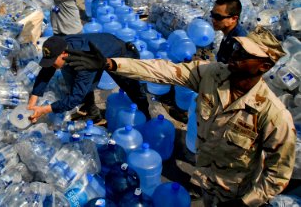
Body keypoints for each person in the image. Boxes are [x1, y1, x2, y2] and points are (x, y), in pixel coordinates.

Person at [65, 26, 296, 206]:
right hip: (204, 180)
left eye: (246, 54)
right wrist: (111, 63)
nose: (236, 54)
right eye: (238, 48)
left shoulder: (273, 115)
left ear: (263, 66)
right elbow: (162, 70)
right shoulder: (212, 75)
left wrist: (246, 203)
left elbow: (278, 174)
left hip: (236, 194)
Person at [28, 33, 150, 124]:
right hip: (95, 51)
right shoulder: (59, 45)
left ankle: (145, 114)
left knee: (131, 88)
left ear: (64, 53)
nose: (52, 66)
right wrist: (31, 104)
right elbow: (46, 72)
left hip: (118, 54)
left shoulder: (85, 64)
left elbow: (76, 97)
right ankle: (94, 113)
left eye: (53, 62)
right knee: (74, 83)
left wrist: (45, 110)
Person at [211, 0, 247, 64]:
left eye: (218, 17)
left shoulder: (239, 41)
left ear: (233, 19)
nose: (213, 20)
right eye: (212, 14)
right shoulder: (228, 33)